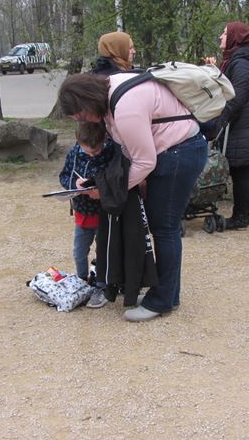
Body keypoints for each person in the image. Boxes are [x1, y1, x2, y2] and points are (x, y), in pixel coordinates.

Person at [58, 72, 207, 322]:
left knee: (164, 228)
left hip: (179, 154)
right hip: (171, 152)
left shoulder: (125, 107)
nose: (83, 121)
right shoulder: (111, 92)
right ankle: (167, 294)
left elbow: (145, 162)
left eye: (80, 115)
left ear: (87, 101)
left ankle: (162, 301)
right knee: (161, 226)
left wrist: (107, 191)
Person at [209, 21, 249, 230]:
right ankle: (243, 212)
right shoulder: (236, 60)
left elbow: (237, 95)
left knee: (240, 170)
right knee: (239, 169)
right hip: (242, 124)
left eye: (224, 34)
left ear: (235, 38)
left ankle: (241, 216)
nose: (221, 37)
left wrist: (221, 119)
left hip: (243, 125)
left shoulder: (241, 63)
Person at [58, 121, 115, 308]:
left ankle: (101, 285)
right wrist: (74, 185)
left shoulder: (110, 152)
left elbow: (116, 179)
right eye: (87, 151)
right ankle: (81, 280)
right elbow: (64, 176)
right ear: (78, 142)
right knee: (79, 251)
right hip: (82, 212)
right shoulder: (75, 153)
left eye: (96, 151)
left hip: (103, 213)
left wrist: (101, 189)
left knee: (103, 251)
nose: (92, 155)